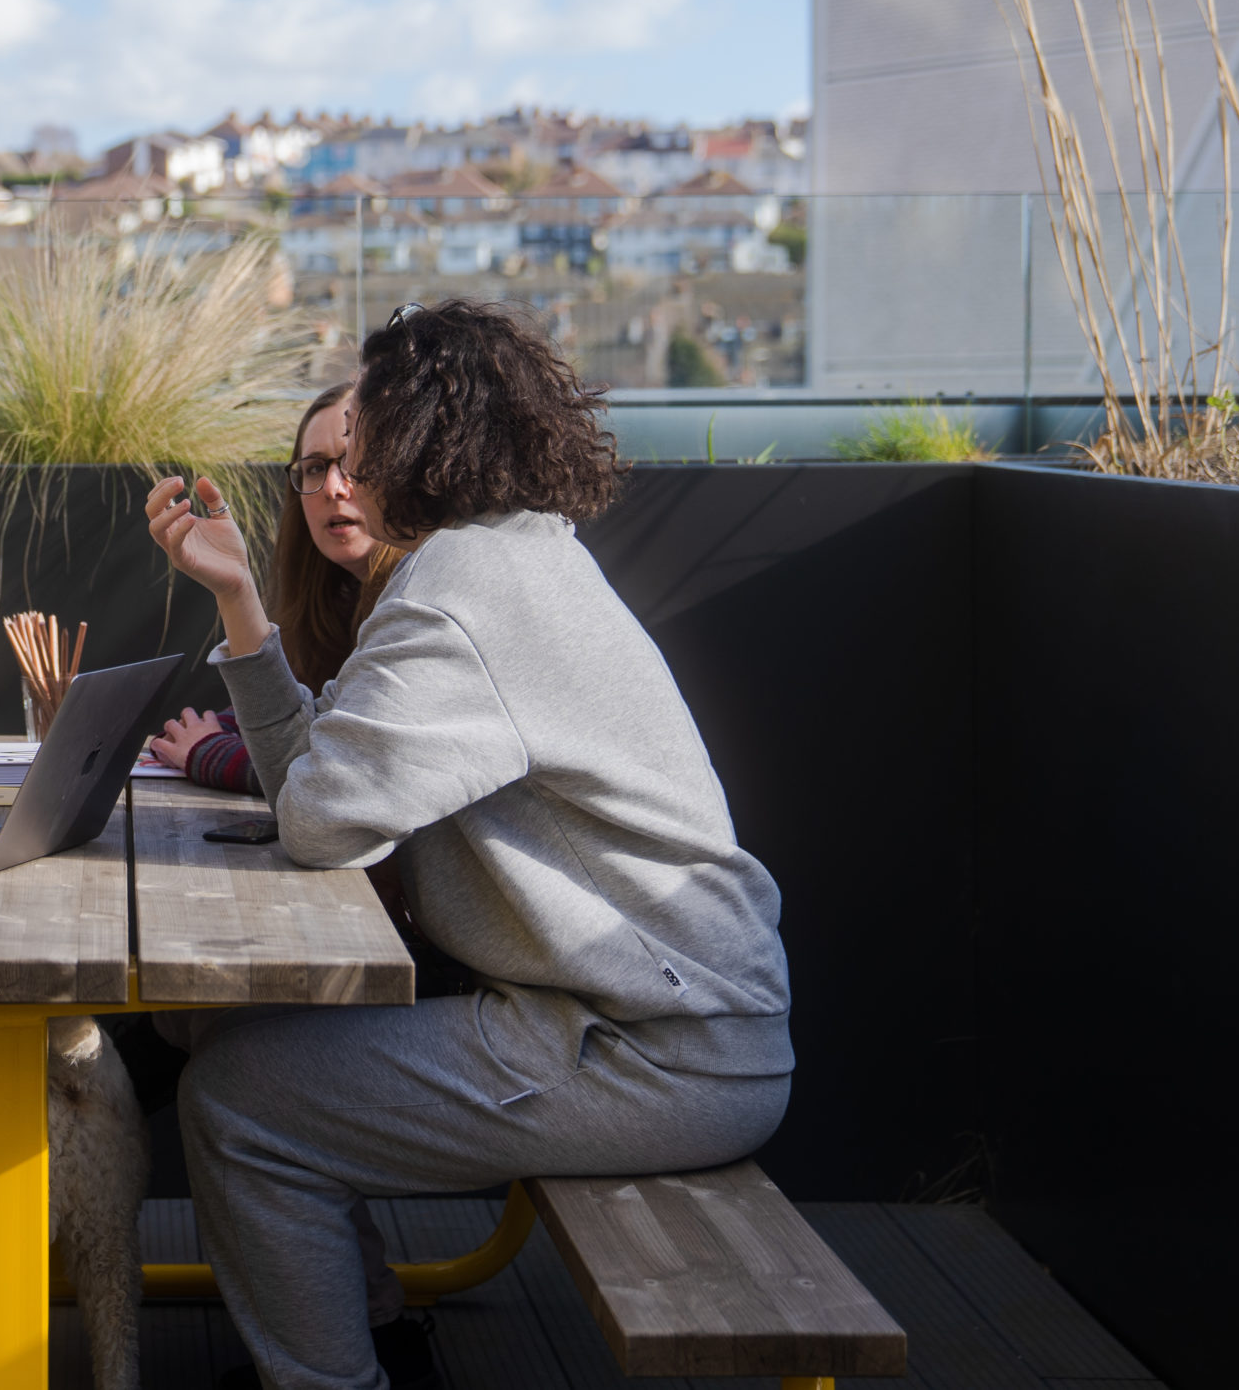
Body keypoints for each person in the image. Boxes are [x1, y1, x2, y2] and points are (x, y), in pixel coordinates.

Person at [144, 300, 793, 1390]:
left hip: (651, 1051)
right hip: (653, 1019)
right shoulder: (510, 561)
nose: (348, 458)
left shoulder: (455, 600)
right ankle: (372, 1327)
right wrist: (240, 602)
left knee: (238, 1104)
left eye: (366, 429)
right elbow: (330, 779)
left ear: (419, 436)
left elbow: (317, 821)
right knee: (225, 1036)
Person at [145, 383, 393, 792]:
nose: (333, 487)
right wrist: (221, 726)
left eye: (350, 461)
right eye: (314, 467)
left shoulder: (420, 603)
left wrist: (209, 751)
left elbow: (327, 781)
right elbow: (292, 721)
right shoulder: (333, 600)